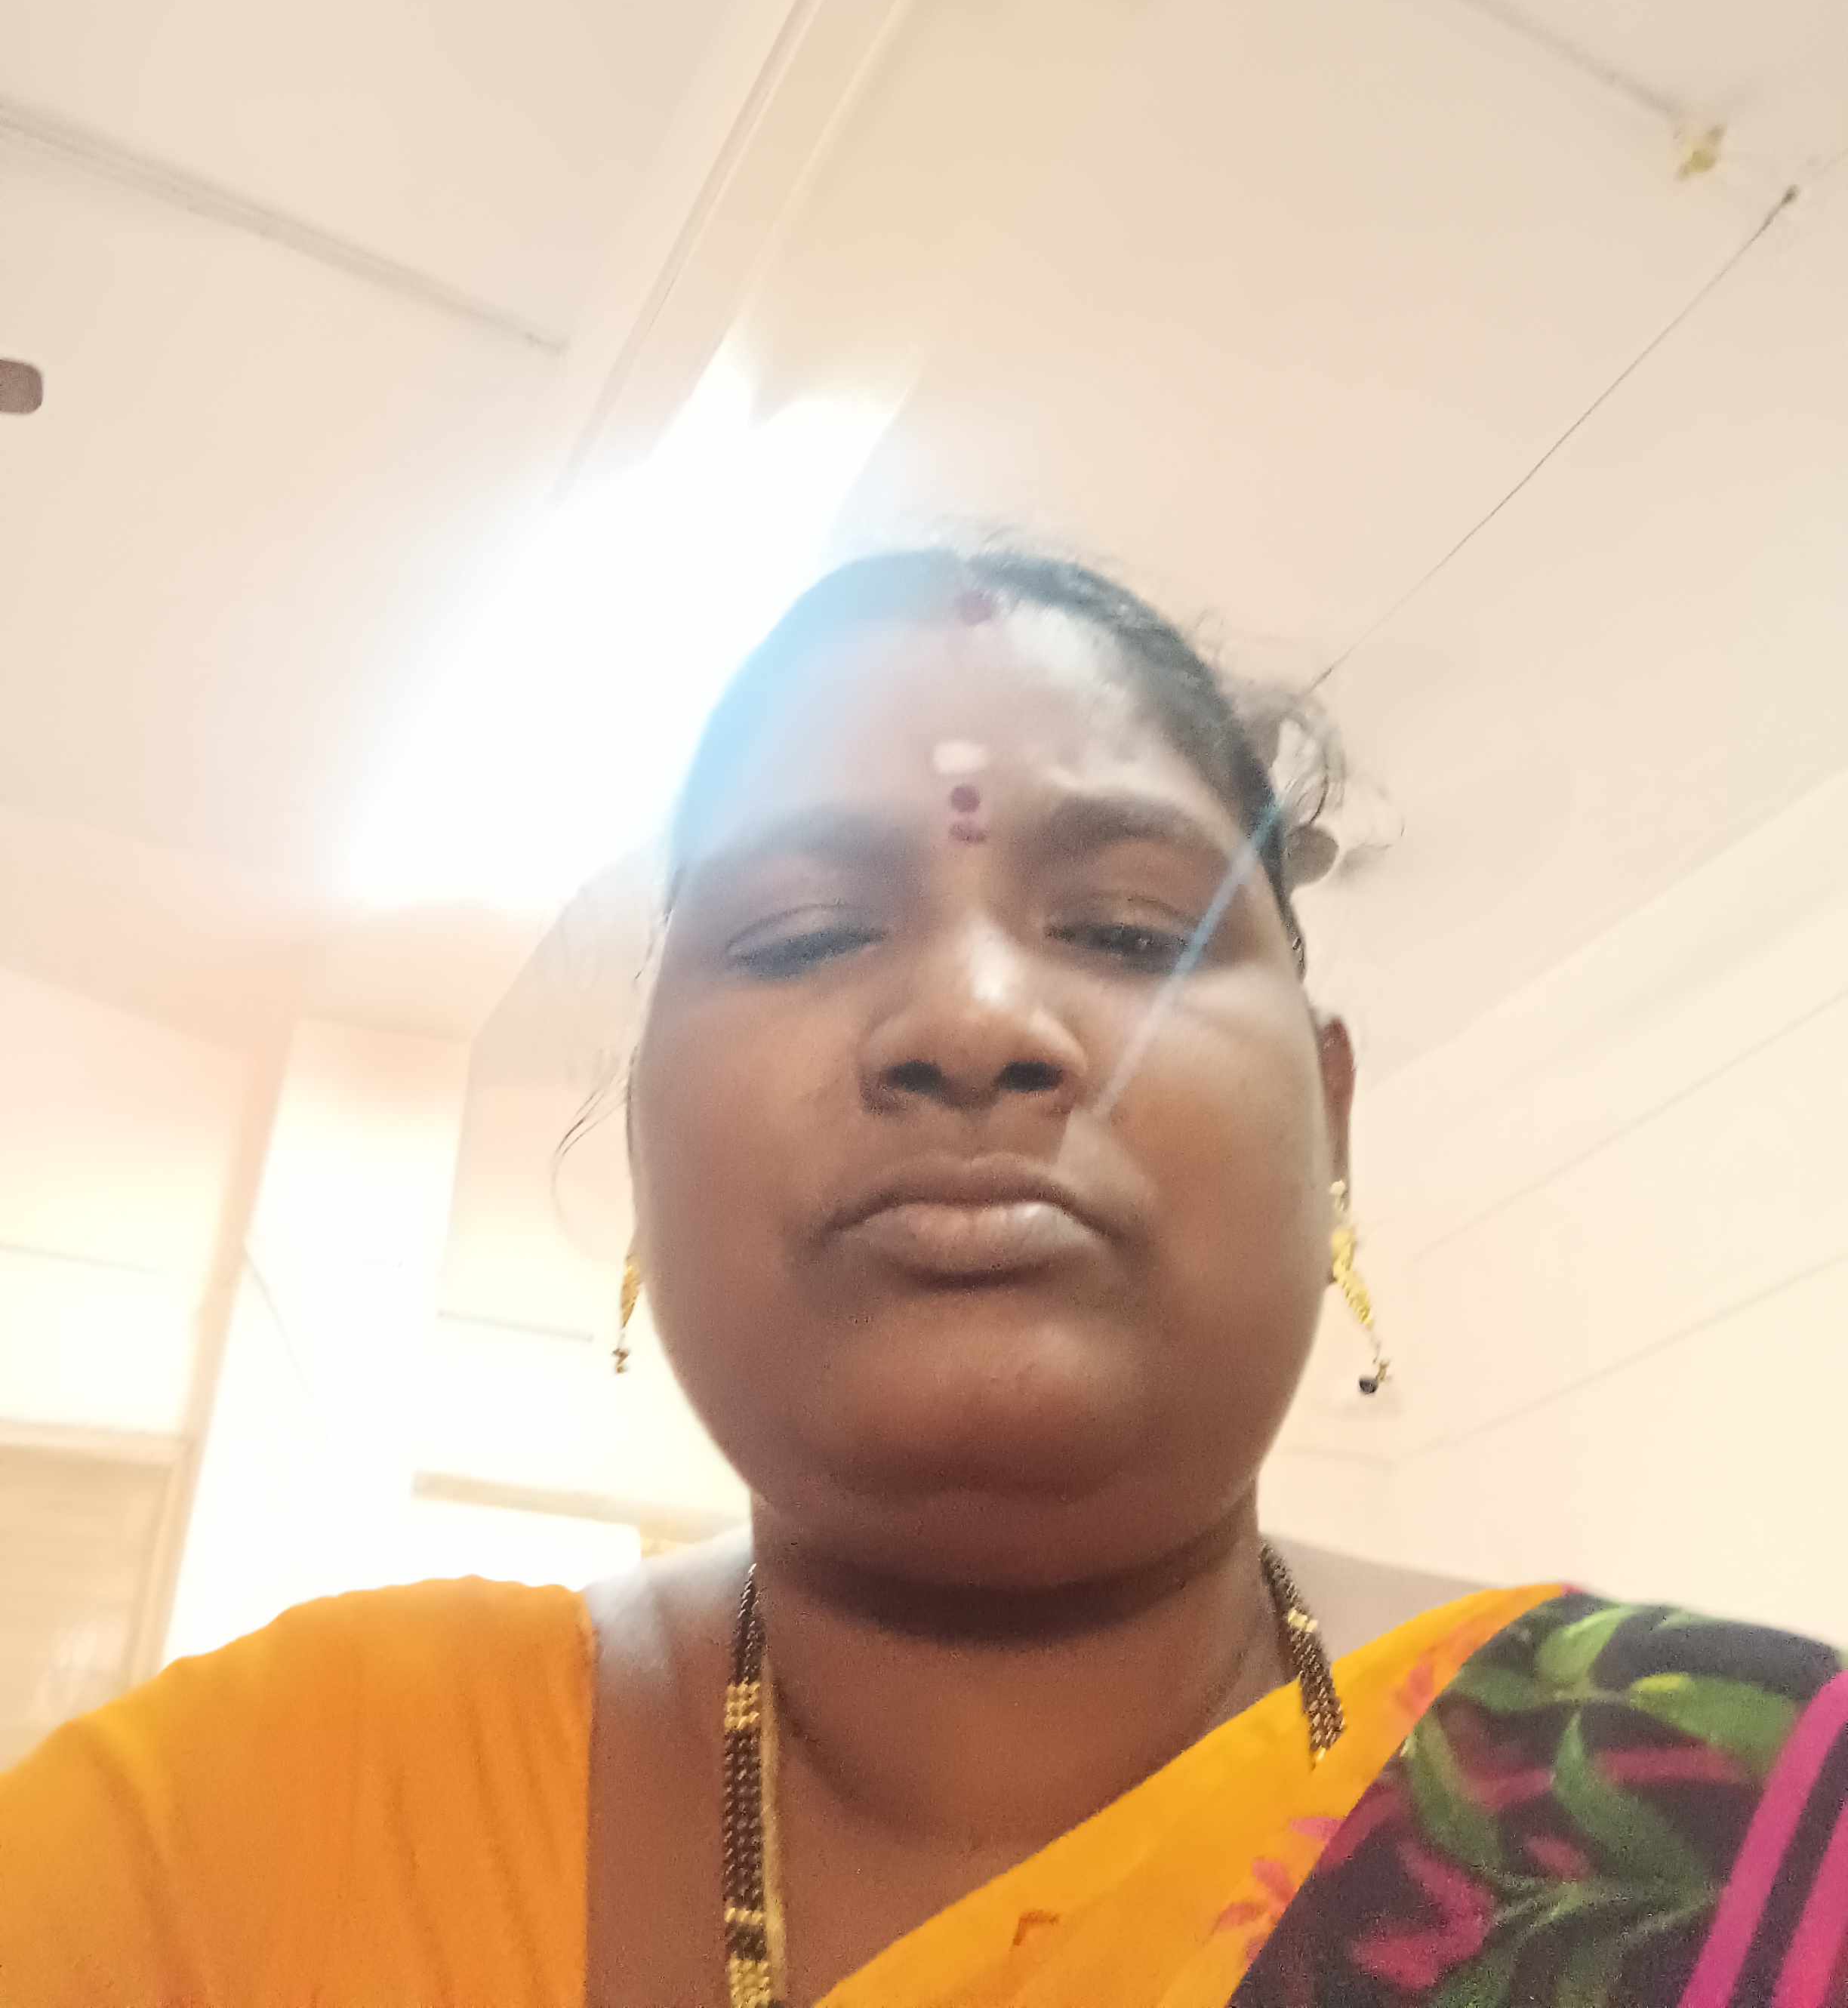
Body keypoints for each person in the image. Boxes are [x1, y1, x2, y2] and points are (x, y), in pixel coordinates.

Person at [3, 548, 1843, 2008]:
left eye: (1128, 928)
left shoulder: (1753, 1819)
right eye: (803, 935)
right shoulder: (247, 1837)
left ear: (1333, 1119)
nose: (972, 1022)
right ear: (643, 1142)